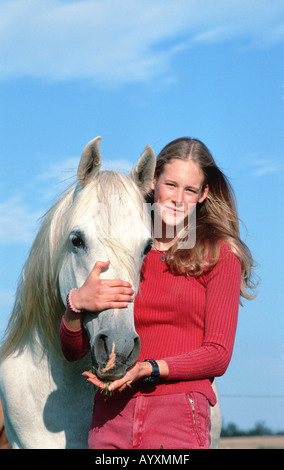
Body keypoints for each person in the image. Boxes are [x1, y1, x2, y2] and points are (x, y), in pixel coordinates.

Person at [59, 137, 256, 449]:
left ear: (203, 194)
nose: (178, 199)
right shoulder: (124, 250)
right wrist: (74, 307)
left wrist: (148, 368)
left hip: (178, 414)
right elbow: (75, 352)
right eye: (171, 185)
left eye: (190, 190)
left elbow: (218, 354)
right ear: (153, 182)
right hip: (111, 416)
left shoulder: (218, 254)